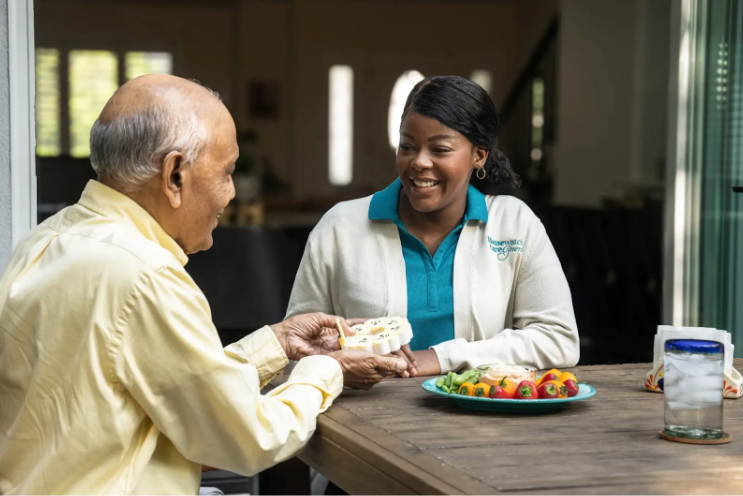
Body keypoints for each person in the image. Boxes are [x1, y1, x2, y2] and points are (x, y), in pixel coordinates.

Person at [0, 75, 408, 495]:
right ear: (175, 174)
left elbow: (172, 380)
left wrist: (277, 341)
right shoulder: (145, 275)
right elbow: (249, 437)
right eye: (227, 172)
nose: (231, 193)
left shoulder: (48, 238)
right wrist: (326, 369)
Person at [287, 75, 579, 377]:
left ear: (478, 155)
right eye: (407, 146)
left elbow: (559, 340)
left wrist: (441, 358)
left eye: (439, 149)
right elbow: (295, 349)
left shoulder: (514, 224)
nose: (418, 162)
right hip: (362, 415)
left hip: (485, 419)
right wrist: (339, 364)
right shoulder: (340, 227)